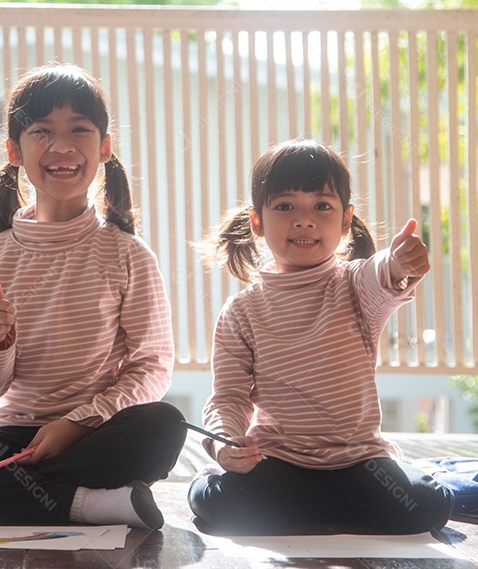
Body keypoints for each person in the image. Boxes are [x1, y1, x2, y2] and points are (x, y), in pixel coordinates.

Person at [0, 64, 185, 530]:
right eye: (42, 132)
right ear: (15, 151)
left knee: (163, 425)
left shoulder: (127, 253)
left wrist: (78, 422)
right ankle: (84, 504)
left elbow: (153, 368)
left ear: (103, 147)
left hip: (91, 435)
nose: (61, 147)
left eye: (79, 130)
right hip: (7, 437)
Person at [187, 139, 454, 535]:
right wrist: (224, 444)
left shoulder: (353, 286)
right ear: (257, 221)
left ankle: (305, 510)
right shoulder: (241, 312)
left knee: (428, 505)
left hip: (359, 464)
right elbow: (228, 397)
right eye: (285, 206)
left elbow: (380, 273)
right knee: (213, 499)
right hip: (279, 462)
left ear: (346, 220)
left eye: (322, 206)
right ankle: (313, 508)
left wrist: (398, 261)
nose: (304, 220)